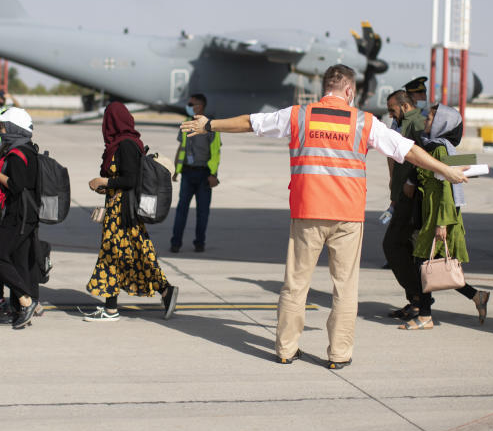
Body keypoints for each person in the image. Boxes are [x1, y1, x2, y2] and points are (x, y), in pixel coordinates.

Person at [181, 64, 468, 368]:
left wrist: (209, 125)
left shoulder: (298, 115)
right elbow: (407, 151)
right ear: (349, 90)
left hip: (308, 212)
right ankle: (338, 355)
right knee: (344, 288)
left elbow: (252, 123)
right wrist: (446, 170)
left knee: (295, 284)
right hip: (347, 216)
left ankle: (286, 349)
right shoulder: (364, 122)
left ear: (325, 88)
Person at [83, 102, 180, 322]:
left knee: (111, 256)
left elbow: (131, 180)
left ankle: (110, 309)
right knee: (138, 255)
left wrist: (104, 181)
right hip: (120, 209)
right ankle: (165, 290)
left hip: (122, 213)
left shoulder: (126, 144)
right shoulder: (119, 144)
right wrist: (104, 186)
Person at [400, 104, 489, 330]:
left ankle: (426, 316)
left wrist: (442, 223)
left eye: (430, 118)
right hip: (433, 213)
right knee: (435, 266)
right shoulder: (436, 147)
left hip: (440, 215)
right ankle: (476, 296)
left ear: (442, 123)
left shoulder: (440, 149)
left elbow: (447, 190)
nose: (426, 122)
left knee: (424, 265)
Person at [0, 107, 42, 329]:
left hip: (18, 215)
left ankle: (26, 300)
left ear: (13, 129)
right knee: (18, 261)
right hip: (26, 215)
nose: (0, 130)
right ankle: (18, 308)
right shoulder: (27, 149)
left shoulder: (17, 154)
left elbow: (17, 185)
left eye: (3, 126)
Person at [382, 90, 427, 318]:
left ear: (405, 106)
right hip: (401, 198)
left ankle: (420, 299)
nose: (391, 115)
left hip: (412, 201)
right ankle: (417, 300)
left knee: (393, 245)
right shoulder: (401, 124)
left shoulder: (416, 124)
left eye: (393, 110)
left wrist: (410, 181)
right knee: (406, 250)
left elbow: (425, 157)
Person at [170, 93, 221, 253]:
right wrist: (176, 169)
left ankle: (200, 242)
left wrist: (213, 174)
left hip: (204, 174)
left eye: (193, 104)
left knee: (202, 212)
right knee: (181, 210)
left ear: (201, 106)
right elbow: (181, 148)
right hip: (187, 172)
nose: (189, 107)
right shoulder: (185, 124)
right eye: (189, 104)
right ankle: (175, 243)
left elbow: (216, 152)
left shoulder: (211, 126)